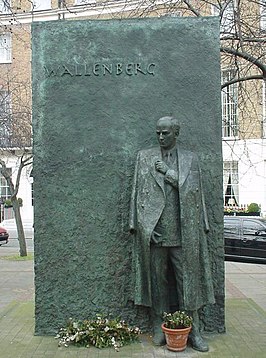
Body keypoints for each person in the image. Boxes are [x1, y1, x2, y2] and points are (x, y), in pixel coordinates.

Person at [129, 116, 215, 352]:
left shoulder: (189, 159)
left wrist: (168, 172)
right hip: (155, 234)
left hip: (184, 234)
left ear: (176, 133)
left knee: (188, 283)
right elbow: (137, 196)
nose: (160, 136)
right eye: (158, 132)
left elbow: (193, 194)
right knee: (158, 283)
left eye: (165, 133)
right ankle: (159, 325)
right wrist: (144, 228)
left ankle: (193, 330)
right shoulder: (144, 157)